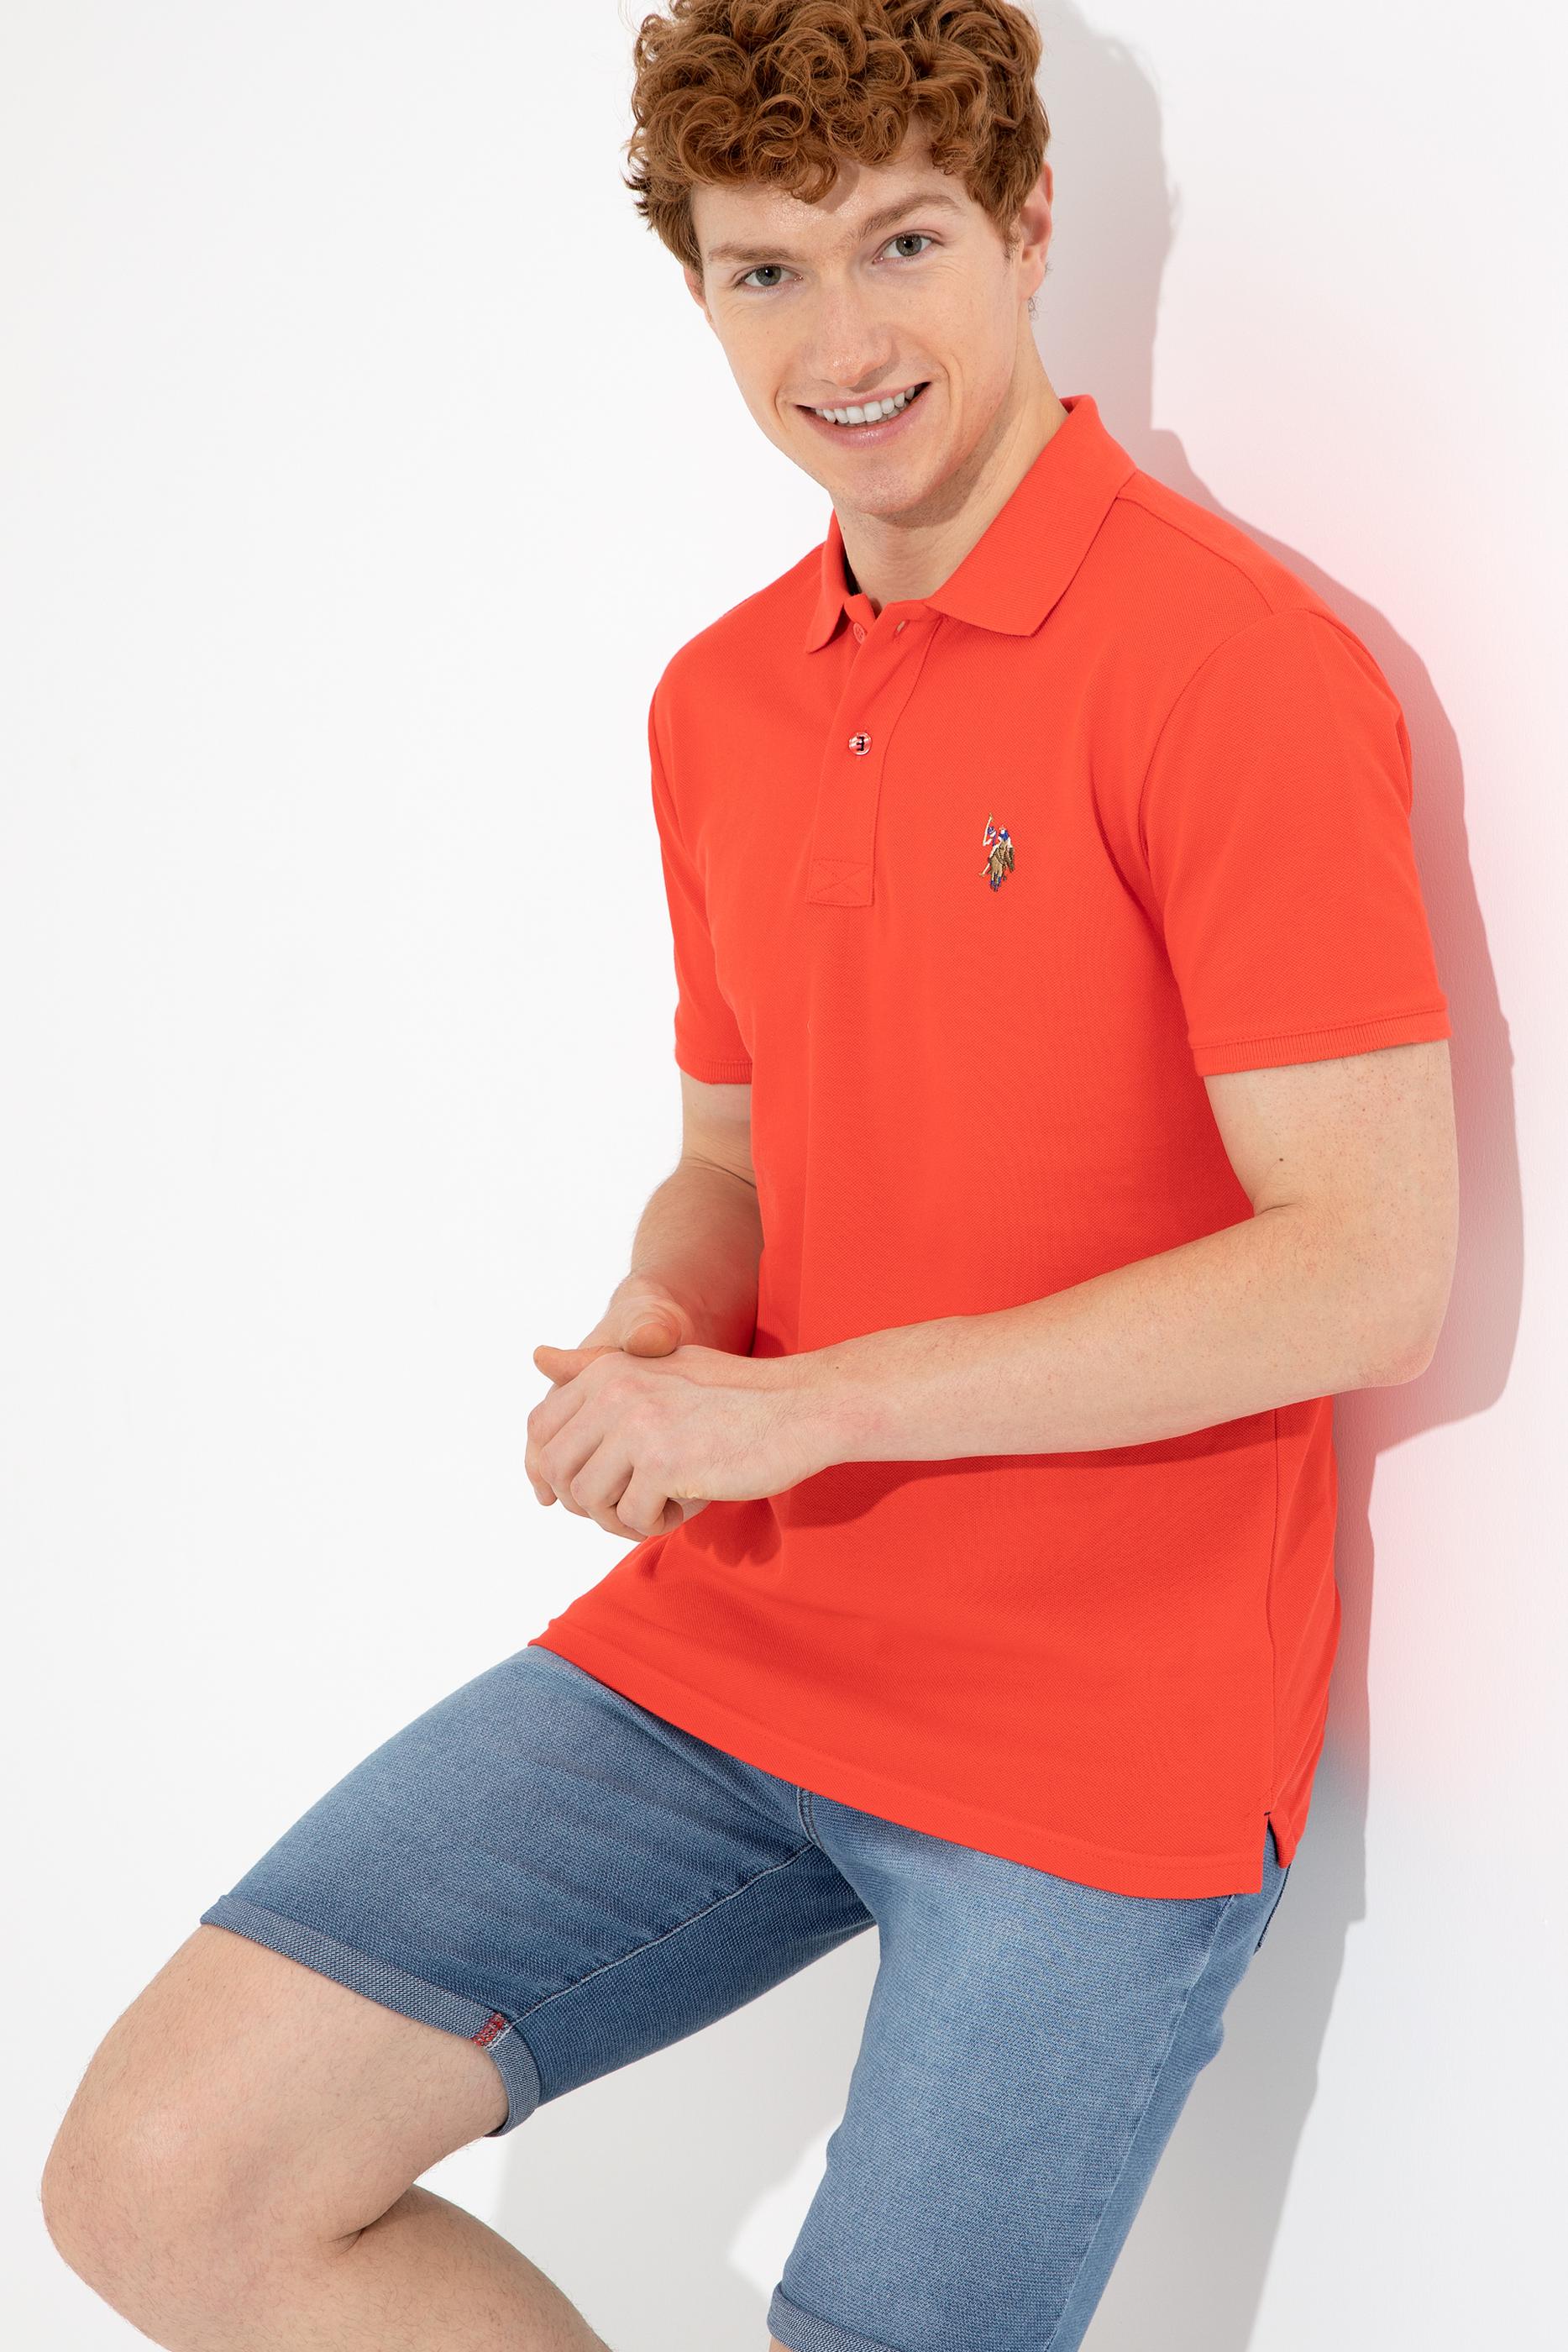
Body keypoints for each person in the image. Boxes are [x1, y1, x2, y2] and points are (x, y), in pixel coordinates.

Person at [39, 4, 1459, 2348]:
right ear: (696, 291)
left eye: (901, 243)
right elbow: (738, 1155)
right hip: (749, 1636)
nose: (841, 343)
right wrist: (671, 1316)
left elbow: (1366, 1272)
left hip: (1107, 1729)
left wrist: (799, 1409)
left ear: (1026, 224)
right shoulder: (722, 700)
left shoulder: (1229, 664)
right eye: (765, 272)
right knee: (168, 2181)